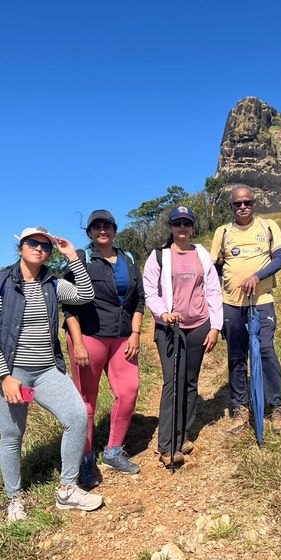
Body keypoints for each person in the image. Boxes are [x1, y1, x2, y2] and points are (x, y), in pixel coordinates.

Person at [0, 226, 103, 523]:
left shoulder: (52, 283)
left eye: (45, 246)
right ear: (20, 247)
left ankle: (67, 489)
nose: (39, 249)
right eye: (33, 243)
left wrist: (71, 256)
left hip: (47, 370)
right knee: (11, 436)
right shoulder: (3, 282)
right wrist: (4, 376)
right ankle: (14, 497)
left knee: (77, 415)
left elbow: (85, 294)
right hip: (14, 373)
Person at [63, 210, 145, 487]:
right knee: (86, 400)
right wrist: (79, 344)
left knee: (129, 391)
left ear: (114, 229)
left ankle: (112, 451)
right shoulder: (82, 260)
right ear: (89, 232)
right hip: (89, 337)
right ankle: (85, 459)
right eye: (96, 226)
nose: (102, 230)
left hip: (122, 337)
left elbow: (139, 301)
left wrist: (135, 333)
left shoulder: (129, 259)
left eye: (107, 225)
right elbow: (69, 306)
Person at [143, 206, 223, 467]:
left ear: (192, 227)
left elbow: (212, 290)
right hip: (169, 328)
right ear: (171, 227)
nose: (182, 227)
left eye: (186, 223)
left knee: (190, 381)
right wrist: (163, 313)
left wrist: (215, 326)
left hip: (199, 324)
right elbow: (150, 293)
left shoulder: (201, 253)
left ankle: (184, 434)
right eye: (177, 223)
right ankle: (167, 444)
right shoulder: (159, 256)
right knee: (172, 383)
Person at [210, 185, 281, 435]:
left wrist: (256, 276)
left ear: (255, 203)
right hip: (231, 304)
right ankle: (240, 407)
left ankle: (276, 407)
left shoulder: (268, 226)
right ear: (231, 207)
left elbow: (280, 260)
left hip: (262, 300)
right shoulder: (222, 232)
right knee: (236, 356)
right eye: (237, 204)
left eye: (248, 203)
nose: (243, 207)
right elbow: (215, 269)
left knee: (265, 351)